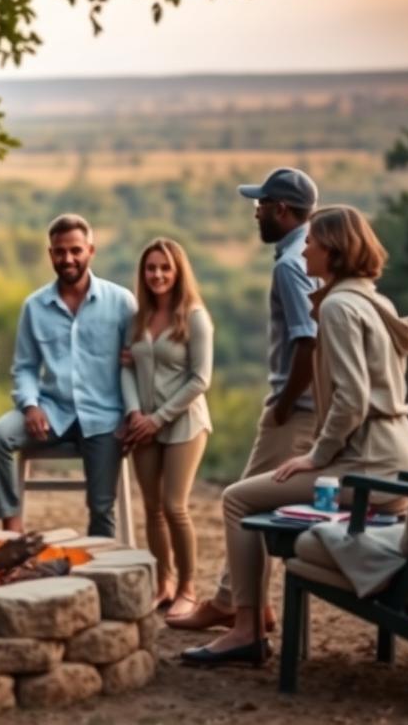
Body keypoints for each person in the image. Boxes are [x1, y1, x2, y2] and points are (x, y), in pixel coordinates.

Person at [181, 205, 408, 665]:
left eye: (312, 241)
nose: (305, 248)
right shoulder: (375, 301)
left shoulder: (337, 307)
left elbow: (351, 399)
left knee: (237, 498)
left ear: (331, 250)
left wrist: (318, 455)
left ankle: (246, 629)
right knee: (263, 494)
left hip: (367, 467)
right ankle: (251, 617)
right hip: (401, 460)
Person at [168, 167, 321, 631]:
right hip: (314, 407)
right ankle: (253, 604)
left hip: (296, 410)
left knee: (243, 501)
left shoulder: (292, 265)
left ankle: (234, 606)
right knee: (256, 502)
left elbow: (307, 343)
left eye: (260, 205)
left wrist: (283, 404)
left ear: (281, 209)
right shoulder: (315, 254)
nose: (254, 212)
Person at [0, 213, 136, 537]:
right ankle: (12, 530)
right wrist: (30, 405)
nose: (67, 258)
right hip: (52, 411)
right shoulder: (35, 306)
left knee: (101, 507)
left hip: (104, 416)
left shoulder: (121, 302)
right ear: (50, 253)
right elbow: (24, 367)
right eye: (59, 251)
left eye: (75, 250)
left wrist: (130, 414)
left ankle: (103, 567)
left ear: (90, 251)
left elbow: (136, 366)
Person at [120, 238, 213, 620]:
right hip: (142, 425)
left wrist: (158, 418)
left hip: (184, 424)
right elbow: (124, 366)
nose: (157, 274)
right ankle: (164, 584)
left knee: (175, 506)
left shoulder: (194, 317)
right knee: (152, 509)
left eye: (165, 268)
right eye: (151, 268)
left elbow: (200, 379)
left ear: (178, 272)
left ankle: (188, 588)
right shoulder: (137, 318)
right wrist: (133, 414)